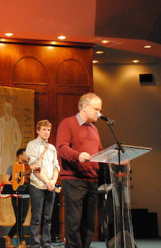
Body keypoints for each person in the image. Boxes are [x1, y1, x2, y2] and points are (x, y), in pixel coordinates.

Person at [56, 93, 104, 248]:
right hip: (74, 180)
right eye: (96, 109)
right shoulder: (68, 123)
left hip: (92, 180)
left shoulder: (94, 129)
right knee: (74, 222)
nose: (99, 112)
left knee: (89, 224)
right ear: (85, 106)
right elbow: (62, 148)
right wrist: (77, 156)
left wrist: (117, 158)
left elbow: (100, 152)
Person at [26, 120, 60, 248]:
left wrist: (53, 181)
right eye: (44, 129)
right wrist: (47, 181)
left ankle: (46, 244)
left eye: (49, 130)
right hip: (37, 186)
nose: (47, 132)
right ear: (38, 131)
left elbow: (56, 166)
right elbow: (34, 168)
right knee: (36, 218)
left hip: (50, 185)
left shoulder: (52, 148)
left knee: (48, 218)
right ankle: (35, 245)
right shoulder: (32, 145)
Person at [3, 148, 30, 248]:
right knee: (19, 218)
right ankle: (22, 242)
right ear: (20, 156)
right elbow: (6, 180)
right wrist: (15, 184)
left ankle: (9, 236)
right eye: (25, 155)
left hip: (26, 196)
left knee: (21, 219)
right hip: (16, 196)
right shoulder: (12, 167)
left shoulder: (27, 167)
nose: (27, 157)